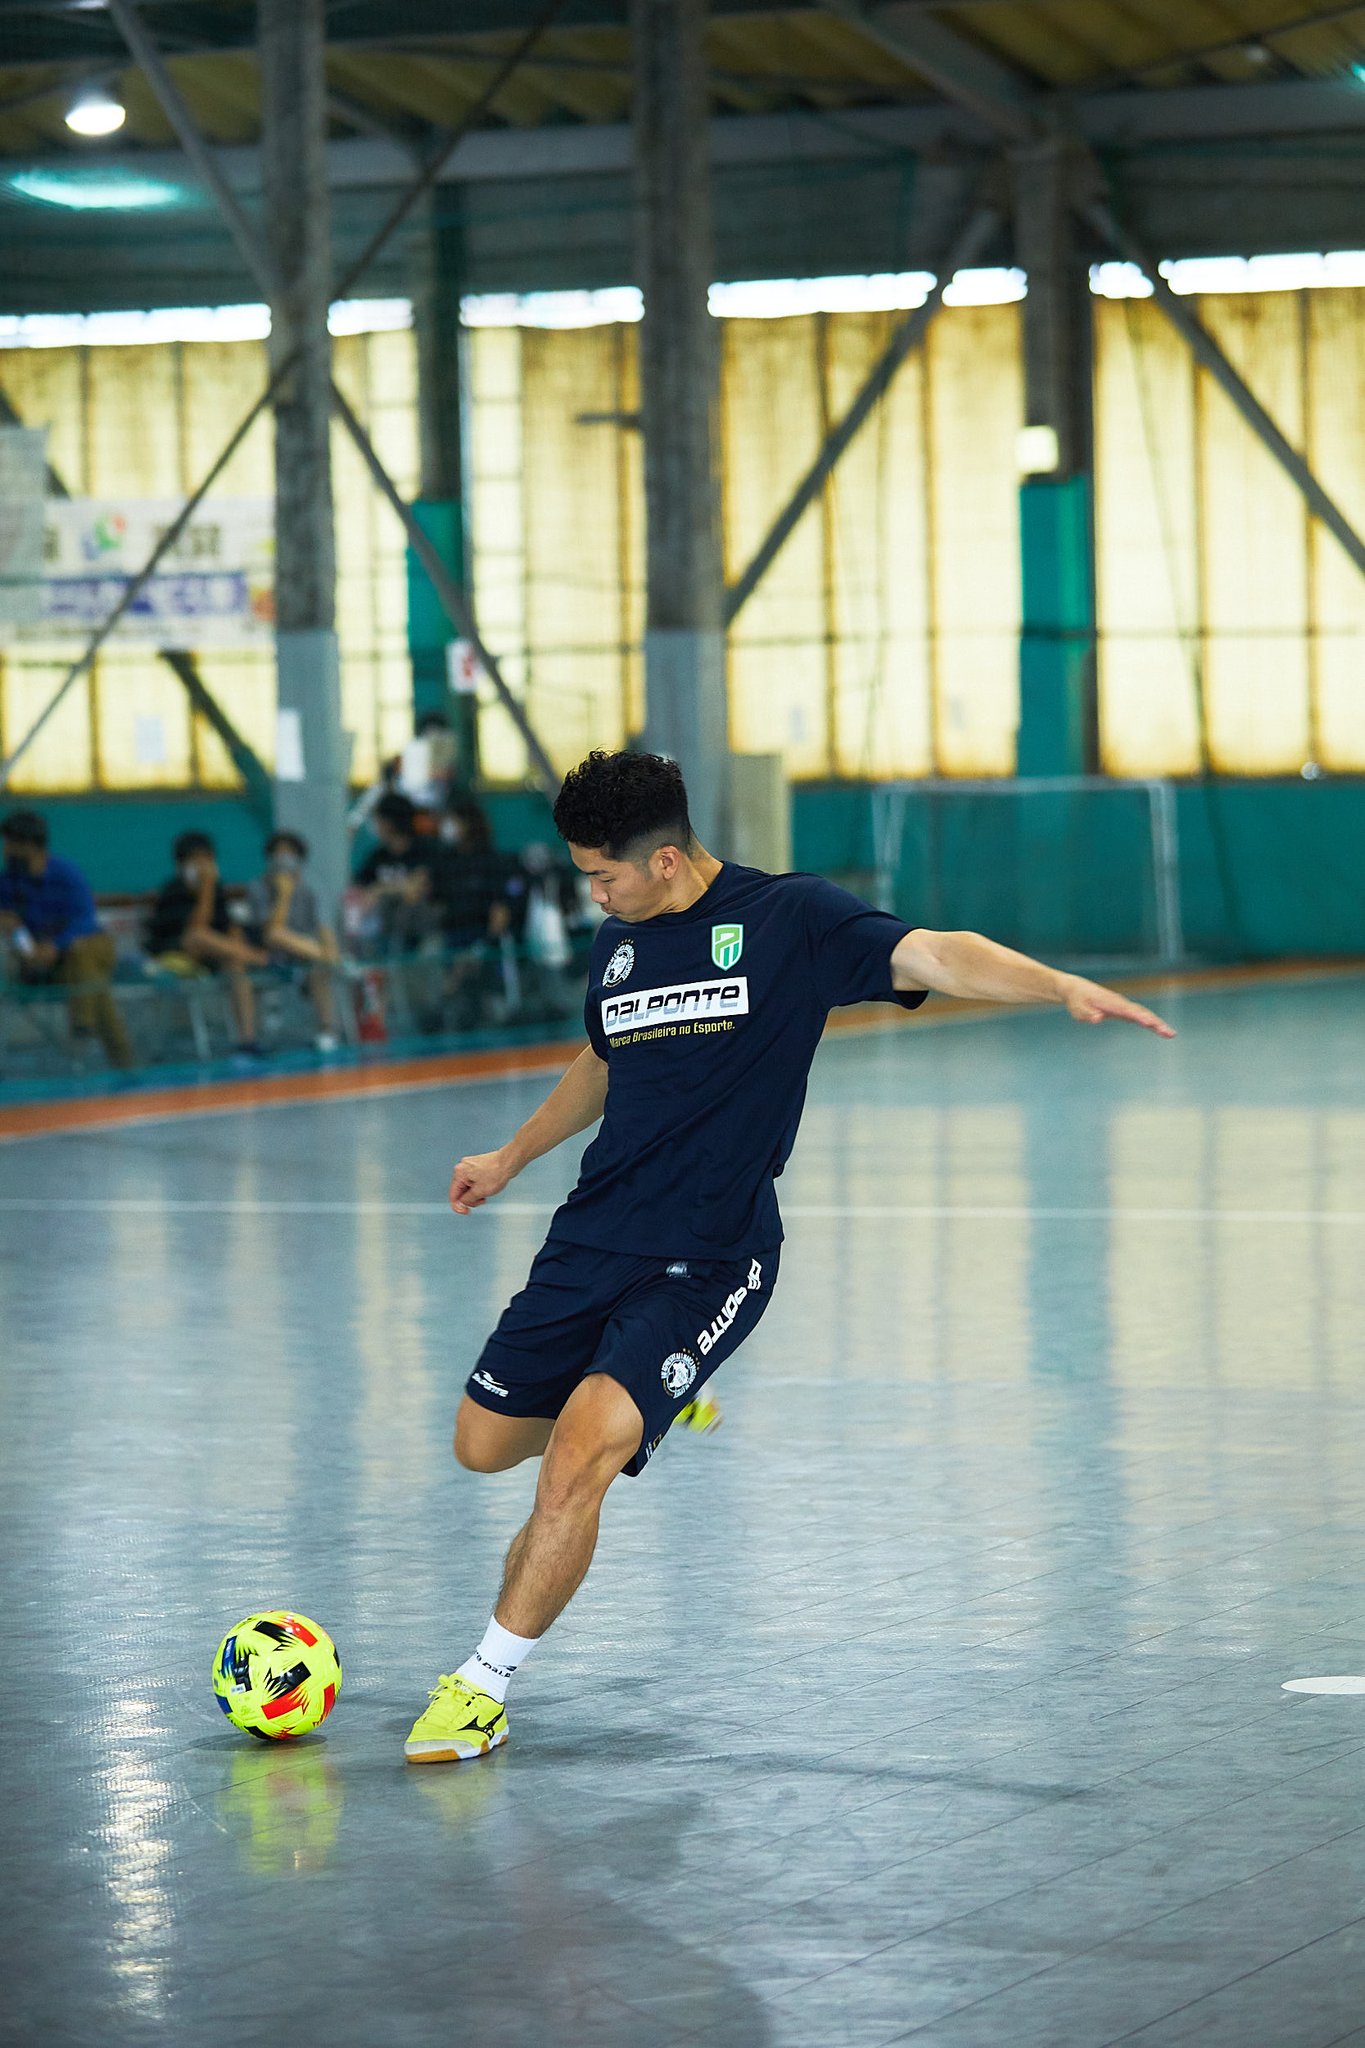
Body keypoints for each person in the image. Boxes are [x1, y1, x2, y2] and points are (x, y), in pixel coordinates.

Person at [403, 750, 1176, 1764]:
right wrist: (510, 1156)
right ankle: (657, 1397)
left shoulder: (790, 920)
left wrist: (1058, 984)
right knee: (481, 1442)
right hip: (592, 1233)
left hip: (711, 1257)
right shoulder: (621, 938)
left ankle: (482, 1685)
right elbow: (605, 1055)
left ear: (665, 859)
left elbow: (937, 955)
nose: (593, 894)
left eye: (601, 874)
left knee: (578, 1455)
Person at [0, 809, 133, 1069]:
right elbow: (13, 926)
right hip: (49, 966)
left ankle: (82, 1025)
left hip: (83, 950)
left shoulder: (65, 873)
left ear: (28, 845)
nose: (5, 850)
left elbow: (85, 922)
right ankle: (123, 1063)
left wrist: (55, 946)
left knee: (83, 950)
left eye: (10, 843)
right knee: (91, 981)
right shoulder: (9, 882)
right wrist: (23, 944)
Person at [146, 830, 267, 1059]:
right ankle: (259, 958)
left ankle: (247, 1039)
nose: (203, 866)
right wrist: (206, 889)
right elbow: (196, 928)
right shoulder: (173, 890)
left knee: (236, 966)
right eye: (196, 860)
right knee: (197, 936)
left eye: (207, 860)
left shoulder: (217, 888)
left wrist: (235, 940)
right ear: (181, 864)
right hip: (176, 954)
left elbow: (225, 926)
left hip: (211, 955)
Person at [244, 831, 342, 1052]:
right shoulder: (257, 887)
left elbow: (324, 927)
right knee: (277, 934)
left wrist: (329, 948)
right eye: (278, 853)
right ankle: (329, 958)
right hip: (268, 957)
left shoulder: (310, 888)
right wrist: (284, 894)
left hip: (304, 955)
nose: (283, 858)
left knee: (319, 968)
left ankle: (327, 1030)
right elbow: (270, 935)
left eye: (288, 853)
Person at [350, 793, 436, 956]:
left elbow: (417, 886)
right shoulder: (377, 856)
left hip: (422, 938)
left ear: (389, 822)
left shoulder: (425, 849)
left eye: (378, 819)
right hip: (384, 938)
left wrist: (379, 889)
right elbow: (361, 891)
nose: (376, 825)